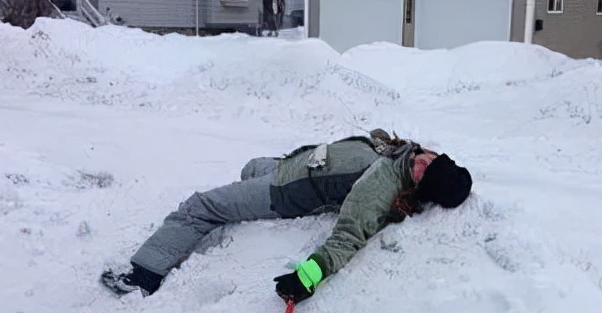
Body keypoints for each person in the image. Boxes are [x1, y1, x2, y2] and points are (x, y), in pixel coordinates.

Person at [101, 130, 473, 303]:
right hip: (288, 168)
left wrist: (308, 277)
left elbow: (349, 236)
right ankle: (247, 189)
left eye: (427, 172)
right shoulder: (402, 155)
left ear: (420, 187)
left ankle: (143, 276)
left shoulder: (381, 185)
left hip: (282, 194)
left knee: (200, 206)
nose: (424, 161)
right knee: (249, 166)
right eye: (432, 160)